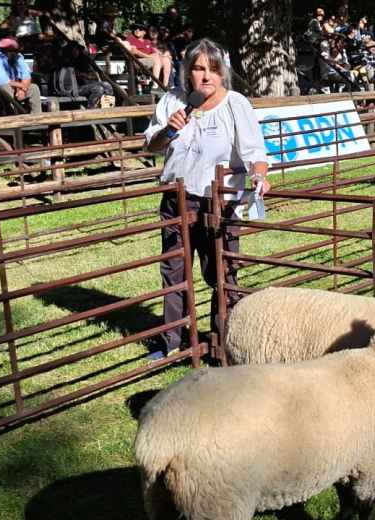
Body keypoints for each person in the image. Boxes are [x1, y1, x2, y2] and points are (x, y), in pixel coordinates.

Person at [144, 38, 269, 359]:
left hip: (221, 201)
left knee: (222, 271)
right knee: (174, 269)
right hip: (178, 198)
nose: (206, 77)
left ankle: (222, 340)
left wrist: (259, 174)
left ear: (222, 72)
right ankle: (171, 341)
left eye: (213, 69)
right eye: (199, 69)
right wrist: (167, 131)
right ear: (187, 72)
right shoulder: (171, 102)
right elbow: (151, 146)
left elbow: (255, 151)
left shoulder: (235, 104)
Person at [0, 37, 42, 114]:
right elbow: (3, 81)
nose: (15, 53)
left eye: (16, 50)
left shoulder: (18, 57)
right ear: (5, 50)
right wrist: (21, 86)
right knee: (6, 88)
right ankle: (12, 116)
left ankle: (37, 117)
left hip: (15, 87)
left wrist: (23, 90)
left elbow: (26, 76)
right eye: (12, 50)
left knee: (34, 88)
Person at [124, 23, 172, 88]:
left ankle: (165, 86)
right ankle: (155, 85)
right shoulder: (130, 39)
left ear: (144, 32)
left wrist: (165, 56)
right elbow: (135, 52)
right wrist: (149, 56)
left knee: (166, 60)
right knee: (156, 60)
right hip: (137, 61)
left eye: (140, 29)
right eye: (136, 29)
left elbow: (155, 52)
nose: (137, 30)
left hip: (148, 60)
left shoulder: (147, 41)